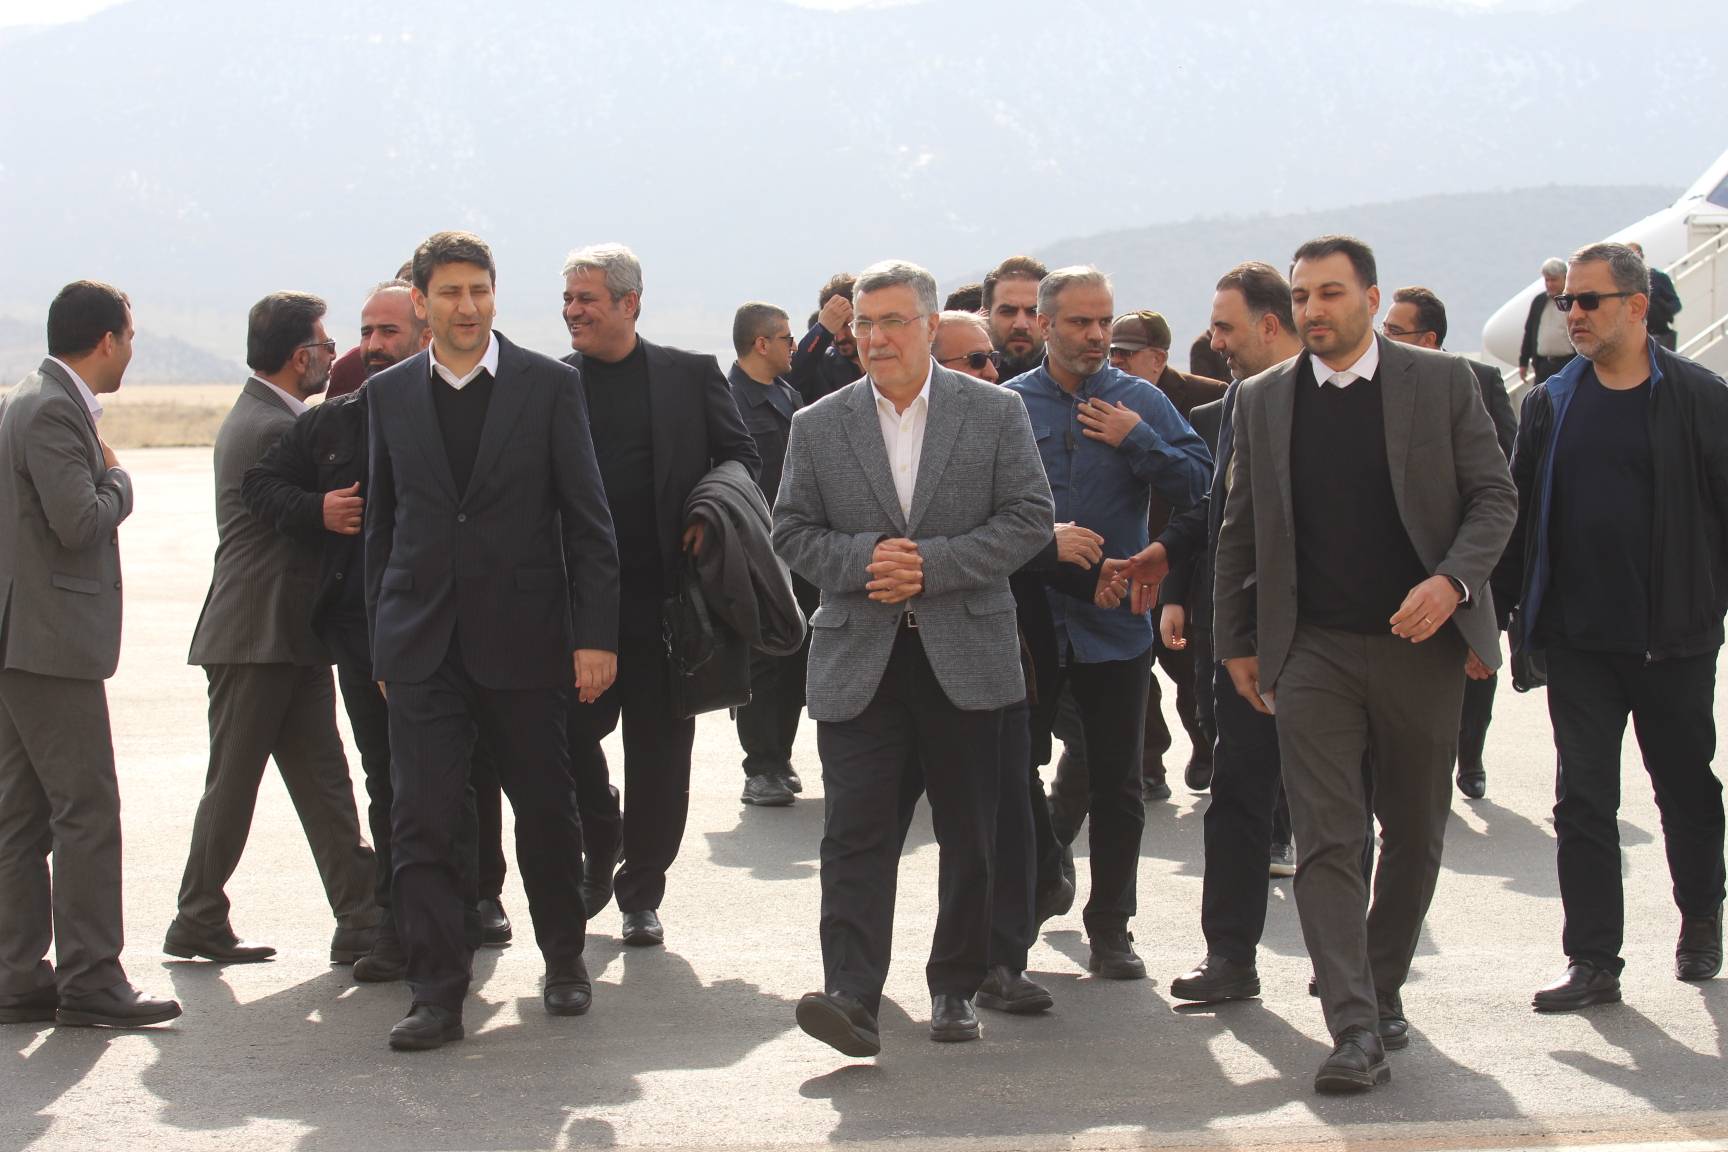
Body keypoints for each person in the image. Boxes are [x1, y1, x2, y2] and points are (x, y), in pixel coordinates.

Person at [1212, 235, 1516, 1093]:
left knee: (1414, 832)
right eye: (1302, 295)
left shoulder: (1443, 383)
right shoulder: (1262, 398)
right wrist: (1236, 639)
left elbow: (1495, 497)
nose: (1313, 309)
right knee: (1328, 838)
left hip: (1422, 645)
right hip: (1312, 648)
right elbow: (1240, 523)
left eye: (1331, 293)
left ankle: (1380, 989)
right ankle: (1353, 1027)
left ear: (1372, 300)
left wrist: (1453, 583)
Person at [776, 261, 1053, 1055]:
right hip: (858, 662)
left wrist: (932, 566)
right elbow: (790, 530)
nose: (876, 338)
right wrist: (866, 559)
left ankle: (955, 986)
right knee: (854, 836)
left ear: (931, 326)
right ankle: (851, 997)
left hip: (967, 652)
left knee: (973, 836)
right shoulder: (817, 424)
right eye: (864, 323)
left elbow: (1030, 517)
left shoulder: (994, 412)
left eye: (893, 321)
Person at [366, 230, 618, 1050]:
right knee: (423, 821)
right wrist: (383, 642)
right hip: (422, 645)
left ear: (494, 295)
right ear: (421, 302)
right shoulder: (389, 395)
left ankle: (564, 959)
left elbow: (587, 521)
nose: (466, 306)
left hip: (527, 639)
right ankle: (437, 994)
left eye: (478, 290)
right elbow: (383, 527)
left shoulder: (549, 387)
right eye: (449, 292)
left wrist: (594, 636)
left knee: (544, 811)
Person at [240, 281, 515, 982]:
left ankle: (465, 910)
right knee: (387, 782)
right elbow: (261, 484)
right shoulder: (339, 419)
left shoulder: (475, 414)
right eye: (365, 331)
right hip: (365, 637)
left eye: (387, 331)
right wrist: (317, 509)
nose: (373, 345)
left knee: (453, 780)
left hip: (451, 633)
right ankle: (398, 927)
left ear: (426, 332)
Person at [1495, 241, 1726, 1011]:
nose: (1574, 314)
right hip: (1578, 641)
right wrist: (1499, 617)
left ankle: (1701, 917)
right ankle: (1593, 960)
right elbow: (1518, 514)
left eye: (1589, 300)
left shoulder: (1700, 397)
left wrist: (1707, 603)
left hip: (1674, 638)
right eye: (1567, 302)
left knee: (1686, 790)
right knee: (1583, 801)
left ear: (1637, 305)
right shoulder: (1552, 400)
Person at [1005, 267, 1212, 982]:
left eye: (1105, 322)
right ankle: (1034, 892)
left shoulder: (1141, 402)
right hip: (1028, 624)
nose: (1096, 336)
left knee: (1119, 782)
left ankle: (1112, 928)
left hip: (1116, 625)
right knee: (1014, 772)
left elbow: (1204, 487)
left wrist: (1137, 440)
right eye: (1080, 322)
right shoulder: (1008, 405)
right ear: (1044, 323)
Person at [168, 291, 379, 967]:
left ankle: (361, 913)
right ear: (298, 356)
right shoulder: (269, 429)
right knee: (234, 782)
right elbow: (288, 519)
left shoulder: (268, 415)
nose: (332, 356)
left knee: (324, 779)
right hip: (255, 635)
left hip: (288, 635)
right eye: (325, 345)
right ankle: (197, 914)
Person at [561, 244, 760, 946]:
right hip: (578, 608)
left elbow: (742, 456)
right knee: (563, 739)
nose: (572, 310)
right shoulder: (549, 383)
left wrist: (710, 509)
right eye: (568, 297)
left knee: (660, 757)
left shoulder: (689, 374)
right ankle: (601, 833)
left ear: (629, 303)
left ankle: (642, 891)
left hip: (669, 608)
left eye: (586, 298)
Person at [0, 281, 181, 1029]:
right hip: (50, 643)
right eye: (129, 337)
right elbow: (78, 521)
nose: (131, 351)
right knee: (87, 810)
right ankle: (92, 979)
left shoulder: (29, 398)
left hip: (26, 639)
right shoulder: (51, 409)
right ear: (106, 340)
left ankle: (18, 976)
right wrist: (119, 478)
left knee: (22, 815)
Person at [1162, 263, 1308, 1010]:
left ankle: (1355, 970)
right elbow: (1212, 519)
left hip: (1328, 644)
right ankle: (1229, 956)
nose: (1213, 341)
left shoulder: (1336, 403)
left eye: (1224, 327)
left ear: (1269, 325)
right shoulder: (1224, 412)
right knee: (1237, 799)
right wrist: (1169, 576)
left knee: (1337, 810)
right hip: (1242, 644)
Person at [1382, 286, 1518, 799]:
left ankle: (1471, 754)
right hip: (1406, 559)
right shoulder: (1376, 383)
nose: (1384, 338)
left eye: (1395, 331)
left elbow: (1504, 475)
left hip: (1470, 556)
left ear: (1429, 338)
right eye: (1384, 329)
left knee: (1476, 659)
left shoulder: (1477, 379)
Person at [1111, 309, 1224, 795]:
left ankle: (1207, 745)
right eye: (1111, 352)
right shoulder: (1100, 397)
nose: (1115, 361)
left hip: (1186, 555)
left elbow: (1211, 485)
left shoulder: (1209, 398)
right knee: (1135, 673)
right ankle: (1148, 764)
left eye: (1126, 353)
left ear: (1157, 358)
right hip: (1127, 559)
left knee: (1191, 669)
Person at [727, 302, 814, 807]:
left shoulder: (787, 394)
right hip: (755, 549)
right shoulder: (727, 399)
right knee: (763, 661)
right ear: (761, 344)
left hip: (797, 546)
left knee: (796, 655)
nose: (793, 347)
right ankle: (759, 768)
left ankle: (779, 757)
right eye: (786, 338)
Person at [787, 273, 861, 405]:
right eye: (833, 327)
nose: (840, 338)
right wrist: (822, 330)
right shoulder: (821, 368)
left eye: (846, 325)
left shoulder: (885, 361)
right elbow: (790, 380)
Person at [983, 256, 1048, 379]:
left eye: (1033, 312)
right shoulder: (961, 383)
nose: (1021, 325)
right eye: (1008, 311)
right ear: (986, 316)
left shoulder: (1076, 383)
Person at [1519, 257, 1574, 385]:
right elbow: (1529, 332)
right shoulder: (1539, 301)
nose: (1549, 284)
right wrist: (1523, 362)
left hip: (1568, 365)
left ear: (1565, 278)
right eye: (1547, 280)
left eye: (1553, 280)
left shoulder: (1572, 301)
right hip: (1543, 366)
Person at [1628, 242, 1683, 351]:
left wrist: (1660, 307)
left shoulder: (1658, 277)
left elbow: (1676, 304)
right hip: (1633, 337)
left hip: (1659, 335)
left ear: (1641, 256)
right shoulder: (1620, 282)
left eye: (1634, 256)